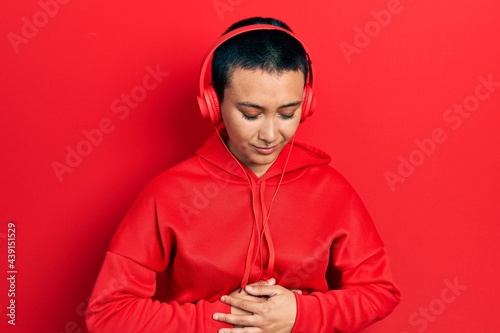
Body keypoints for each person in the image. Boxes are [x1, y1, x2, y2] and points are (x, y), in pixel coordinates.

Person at [86, 17, 401, 333]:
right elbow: (108, 314)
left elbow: (380, 291)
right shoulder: (167, 193)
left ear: (306, 105)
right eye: (250, 114)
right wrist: (224, 320)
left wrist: (301, 313)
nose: (269, 134)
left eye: (287, 113)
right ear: (214, 103)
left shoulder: (333, 190)